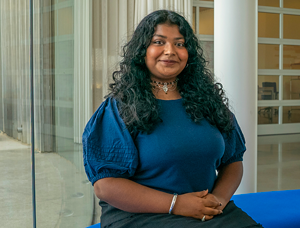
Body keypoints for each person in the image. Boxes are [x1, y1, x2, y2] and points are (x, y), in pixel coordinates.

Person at [83, 10, 263, 228]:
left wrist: (218, 200)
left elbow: (233, 161)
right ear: (142, 51)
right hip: (141, 215)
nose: (170, 51)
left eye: (179, 44)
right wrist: (176, 204)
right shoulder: (119, 108)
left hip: (208, 212)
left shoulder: (209, 102)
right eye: (159, 42)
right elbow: (105, 185)